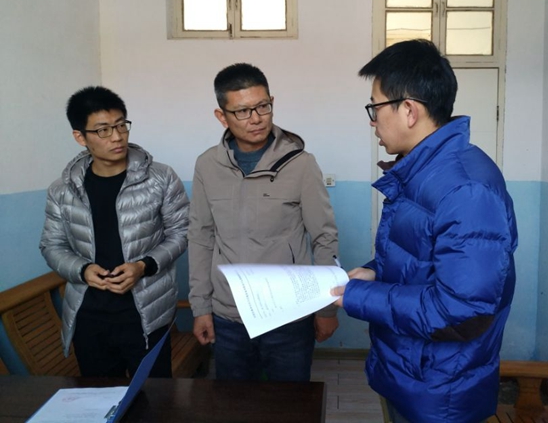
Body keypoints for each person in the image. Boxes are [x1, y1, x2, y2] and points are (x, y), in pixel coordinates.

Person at [332, 40, 517, 423]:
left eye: (375, 107)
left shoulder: (465, 189)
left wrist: (359, 296)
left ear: (409, 110)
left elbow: (461, 313)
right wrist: (374, 272)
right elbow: (422, 260)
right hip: (413, 376)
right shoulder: (424, 172)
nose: (372, 120)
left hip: (439, 392)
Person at [188, 63, 339, 382]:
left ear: (272, 102)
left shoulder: (301, 164)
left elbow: (324, 237)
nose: (256, 118)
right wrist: (200, 307)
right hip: (229, 315)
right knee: (234, 402)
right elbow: (200, 238)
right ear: (222, 116)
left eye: (262, 106)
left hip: (289, 314)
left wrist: (326, 309)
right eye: (242, 111)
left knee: (290, 402)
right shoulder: (207, 165)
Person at [40, 86, 189, 378]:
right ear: (80, 137)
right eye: (103, 130)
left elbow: (182, 232)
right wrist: (83, 270)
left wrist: (143, 266)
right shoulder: (62, 190)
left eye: (121, 125)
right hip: (88, 315)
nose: (117, 136)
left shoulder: (160, 178)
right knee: (99, 397)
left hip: (147, 313)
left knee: (155, 396)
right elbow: (51, 245)